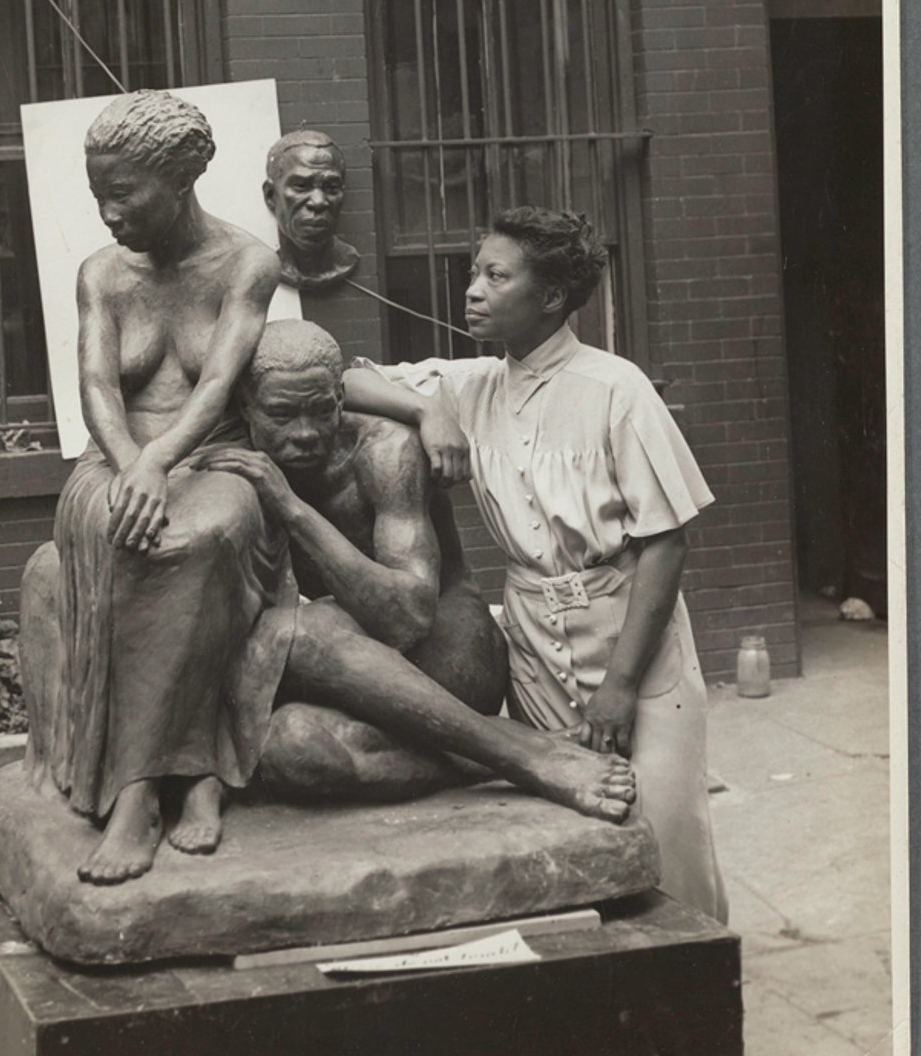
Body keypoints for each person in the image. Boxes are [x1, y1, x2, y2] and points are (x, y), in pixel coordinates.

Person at [343, 207, 728, 922]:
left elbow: (667, 542)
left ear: (550, 296)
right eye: (473, 273)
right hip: (533, 636)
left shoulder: (616, 388)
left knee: (666, 834)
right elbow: (341, 380)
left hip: (631, 632)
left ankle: (685, 991)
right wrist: (426, 412)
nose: (473, 290)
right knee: (573, 829)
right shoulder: (471, 384)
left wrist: (620, 684)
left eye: (496, 275)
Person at [193, 319, 639, 821]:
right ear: (245, 408)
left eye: (321, 411)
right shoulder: (235, 453)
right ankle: (511, 751)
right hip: (356, 661)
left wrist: (291, 509)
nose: (306, 433)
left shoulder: (384, 451)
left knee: (301, 631)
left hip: (450, 653)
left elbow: (407, 616)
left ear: (340, 400)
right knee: (289, 750)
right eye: (281, 414)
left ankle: (526, 759)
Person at [49, 90, 290, 886]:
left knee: (202, 537)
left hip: (212, 458)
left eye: (124, 195)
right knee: (127, 532)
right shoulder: (101, 274)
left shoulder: (247, 262)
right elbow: (95, 385)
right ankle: (158, 789)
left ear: (180, 180)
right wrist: (133, 465)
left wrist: (164, 463)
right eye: (98, 196)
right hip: (113, 459)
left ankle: (178, 779)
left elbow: (220, 383)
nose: (109, 213)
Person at [263, 130, 360, 292]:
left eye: (331, 187)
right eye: (301, 186)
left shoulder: (347, 260)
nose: (319, 202)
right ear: (271, 195)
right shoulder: (260, 267)